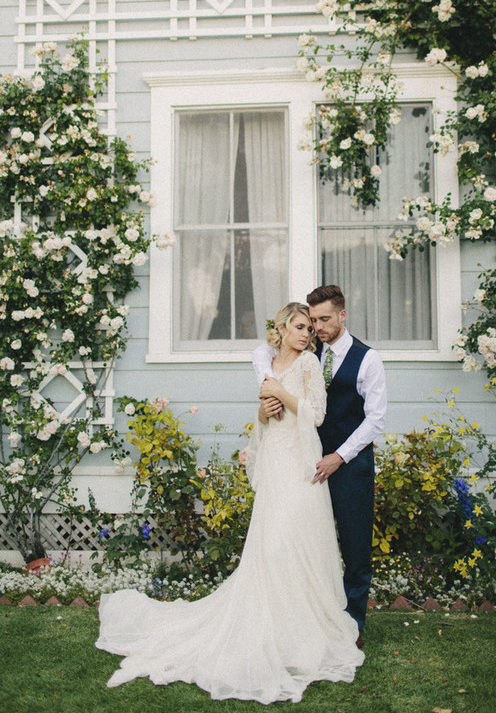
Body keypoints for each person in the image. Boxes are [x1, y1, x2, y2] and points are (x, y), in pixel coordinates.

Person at [96, 302, 364, 704]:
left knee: (294, 541)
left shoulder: (309, 365)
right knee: (269, 545)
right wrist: (263, 407)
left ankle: (297, 631)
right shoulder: (269, 363)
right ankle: (266, 624)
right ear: (282, 328)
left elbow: (317, 415)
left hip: (300, 464)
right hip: (275, 460)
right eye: (299, 326)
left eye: (310, 328)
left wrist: (281, 393)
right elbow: (267, 419)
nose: (307, 334)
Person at [252, 285, 387, 642]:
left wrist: (339, 456)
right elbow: (264, 354)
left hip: (348, 462)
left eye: (324, 320)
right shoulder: (308, 352)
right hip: (302, 462)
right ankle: (304, 616)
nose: (317, 329)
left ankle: (352, 623)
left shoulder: (367, 359)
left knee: (354, 546)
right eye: (312, 322)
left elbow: (375, 420)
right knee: (305, 541)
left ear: (342, 315)